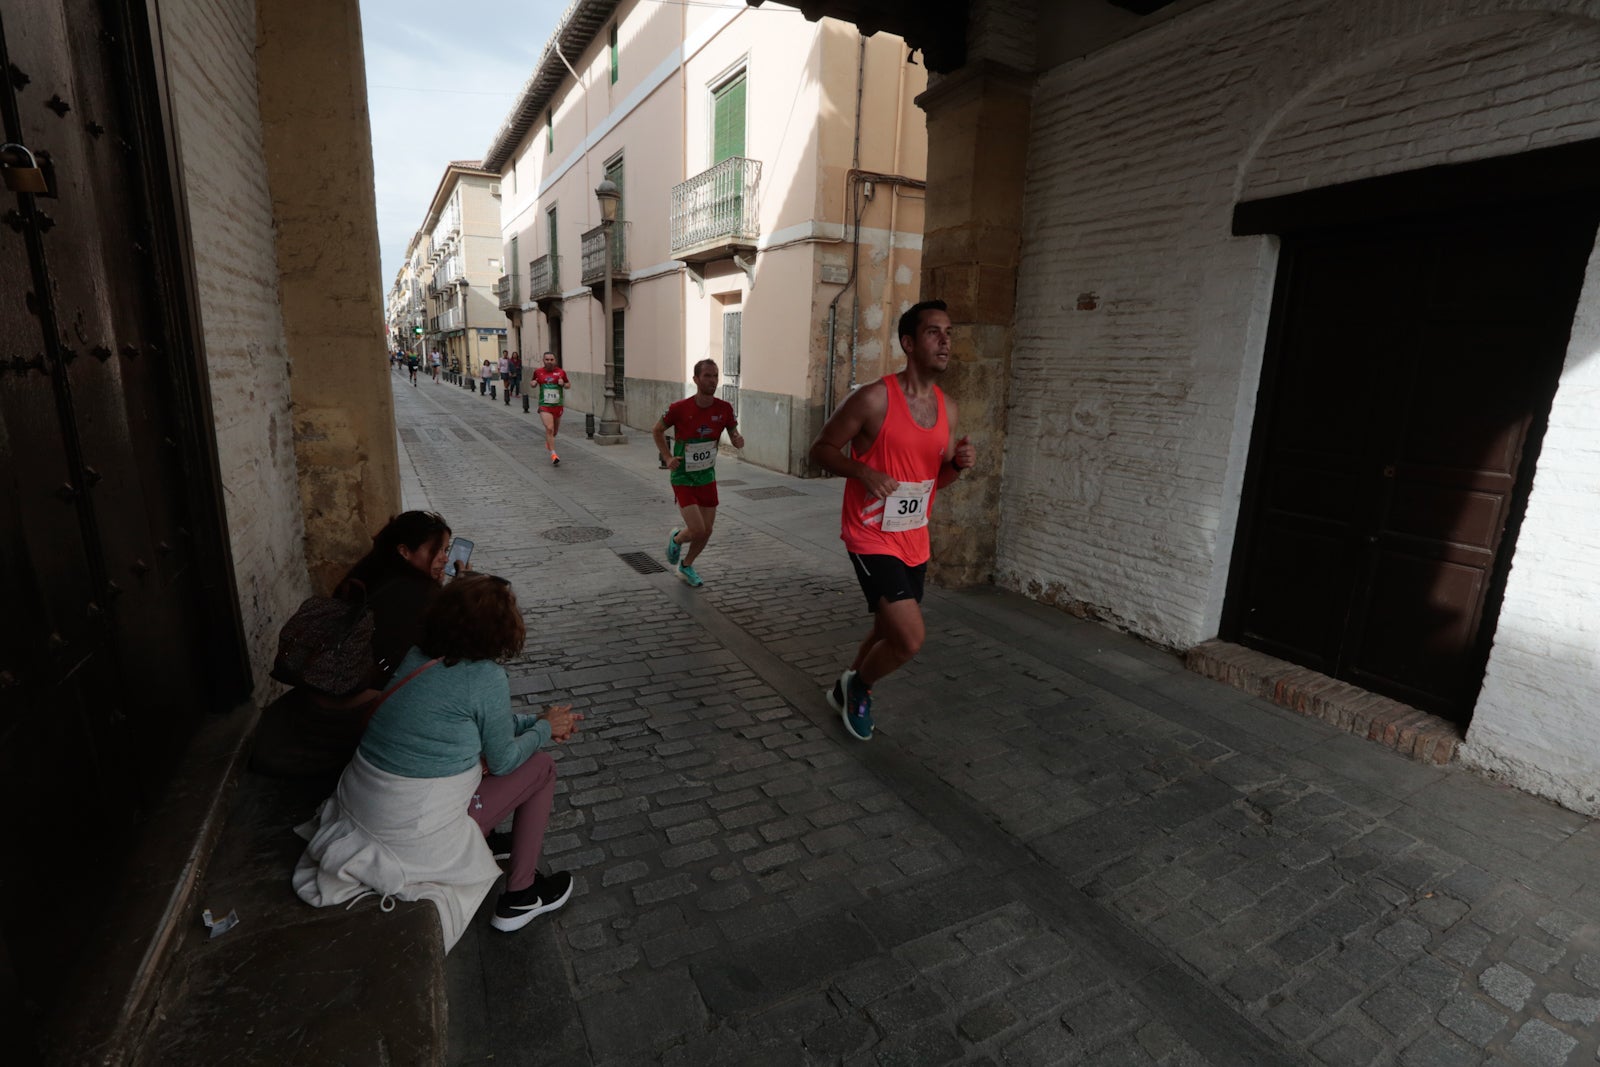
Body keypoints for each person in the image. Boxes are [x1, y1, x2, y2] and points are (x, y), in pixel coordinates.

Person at [293, 574, 583, 949]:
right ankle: (521, 896)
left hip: (362, 806)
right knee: (541, 767)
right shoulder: (484, 676)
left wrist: (538, 721)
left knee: (484, 754)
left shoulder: (418, 657)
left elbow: (473, 725)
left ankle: (492, 841)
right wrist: (544, 729)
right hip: (411, 828)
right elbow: (505, 759)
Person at [808, 300, 976, 742]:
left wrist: (957, 466)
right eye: (933, 332)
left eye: (949, 332)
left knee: (886, 628)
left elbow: (930, 484)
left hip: (913, 540)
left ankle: (846, 686)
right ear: (908, 343)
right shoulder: (874, 398)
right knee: (909, 638)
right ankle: (860, 687)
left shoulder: (949, 410)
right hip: (870, 535)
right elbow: (820, 450)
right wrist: (862, 470)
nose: (945, 340)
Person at [253, 510, 460, 777]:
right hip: (353, 702)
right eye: (437, 550)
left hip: (324, 689)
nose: (445, 558)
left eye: (446, 549)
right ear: (404, 552)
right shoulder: (419, 592)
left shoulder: (371, 570)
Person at [653, 359, 744, 588]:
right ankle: (677, 538)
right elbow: (657, 430)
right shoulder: (679, 408)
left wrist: (736, 439)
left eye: (715, 376)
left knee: (707, 530)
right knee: (697, 529)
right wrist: (667, 457)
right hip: (683, 476)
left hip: (707, 477)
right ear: (696, 379)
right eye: (707, 376)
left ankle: (686, 565)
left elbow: (733, 432)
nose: (712, 380)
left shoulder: (724, 409)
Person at [531, 352, 571, 465]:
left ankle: (549, 442)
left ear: (555, 360)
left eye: (551, 359)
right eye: (547, 359)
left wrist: (563, 384)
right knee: (549, 428)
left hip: (557, 405)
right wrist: (533, 383)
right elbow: (533, 381)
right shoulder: (538, 372)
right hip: (545, 405)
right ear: (543, 360)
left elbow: (568, 385)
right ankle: (554, 454)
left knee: (555, 432)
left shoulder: (561, 372)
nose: (549, 361)